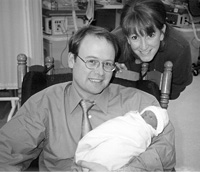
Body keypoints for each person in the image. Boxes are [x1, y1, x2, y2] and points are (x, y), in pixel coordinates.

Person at [0, 25, 175, 171]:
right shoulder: (44, 104)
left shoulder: (140, 104)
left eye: (107, 64)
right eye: (91, 61)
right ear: (71, 60)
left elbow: (166, 150)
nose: (99, 72)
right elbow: (5, 153)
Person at [112, 0, 193, 100]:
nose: (144, 46)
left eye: (150, 35)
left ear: (162, 32)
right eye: (134, 37)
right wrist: (111, 72)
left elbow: (178, 85)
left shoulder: (179, 48)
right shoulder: (113, 43)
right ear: (127, 38)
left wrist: (155, 98)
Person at [75, 106, 169, 171]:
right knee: (103, 150)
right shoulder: (130, 119)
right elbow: (113, 126)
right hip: (109, 140)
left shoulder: (146, 133)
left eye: (151, 117)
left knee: (112, 154)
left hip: (123, 151)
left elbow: (137, 147)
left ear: (156, 127)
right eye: (146, 112)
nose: (146, 115)